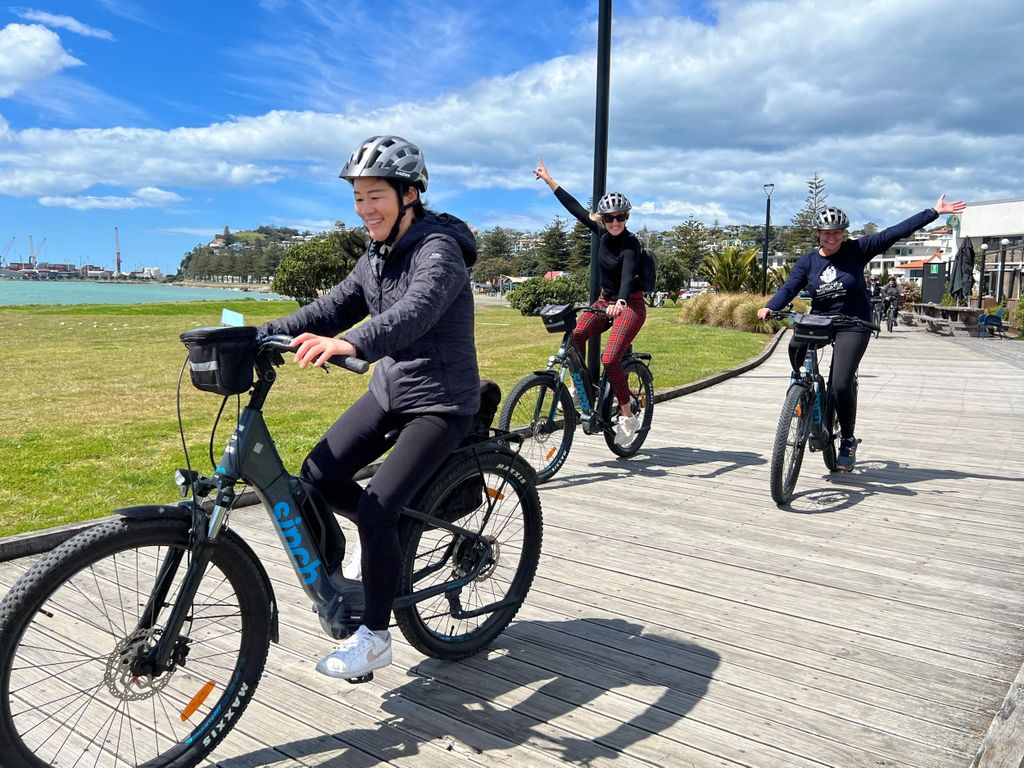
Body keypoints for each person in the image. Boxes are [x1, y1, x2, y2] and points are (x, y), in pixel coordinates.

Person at [261, 135, 480, 680]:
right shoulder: (375, 256)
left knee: (379, 507)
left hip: (441, 400)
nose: (365, 210)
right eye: (357, 198)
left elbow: (417, 311)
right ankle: (384, 546)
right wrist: (254, 335)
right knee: (316, 473)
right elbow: (331, 306)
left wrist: (353, 344)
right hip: (390, 389)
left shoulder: (438, 251)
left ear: (409, 194)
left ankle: (376, 637)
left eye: (375, 196)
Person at [757, 195, 966, 471]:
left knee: (841, 382)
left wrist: (933, 212)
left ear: (843, 234)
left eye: (837, 233)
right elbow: (789, 287)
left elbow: (895, 232)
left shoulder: (857, 250)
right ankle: (801, 391)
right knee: (795, 346)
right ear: (818, 234)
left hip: (854, 322)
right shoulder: (807, 262)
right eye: (826, 233)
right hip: (822, 320)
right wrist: (771, 307)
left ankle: (846, 439)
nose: (831, 238)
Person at [532, 156, 645, 446]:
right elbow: (573, 207)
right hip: (604, 300)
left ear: (626, 218)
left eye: (620, 217)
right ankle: (576, 388)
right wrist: (549, 180)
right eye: (609, 218)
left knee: (609, 358)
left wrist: (619, 302)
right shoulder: (599, 232)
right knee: (576, 336)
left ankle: (626, 413)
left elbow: (628, 274)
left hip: (629, 304)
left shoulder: (631, 243)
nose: (615, 222)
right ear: (602, 220)